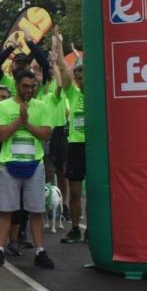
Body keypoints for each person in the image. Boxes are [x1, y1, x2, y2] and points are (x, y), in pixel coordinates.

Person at [0, 70, 55, 269]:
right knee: (5, 210)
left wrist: (26, 123)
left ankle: (40, 251)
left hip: (34, 164)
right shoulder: (2, 106)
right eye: (26, 86)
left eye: (33, 86)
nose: (30, 90)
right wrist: (19, 120)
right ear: (17, 85)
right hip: (9, 164)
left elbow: (46, 134)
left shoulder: (41, 106)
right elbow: (1, 135)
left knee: (36, 210)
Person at [53, 30, 86, 244]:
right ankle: (75, 228)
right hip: (75, 145)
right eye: (79, 77)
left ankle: (94, 230)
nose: (81, 80)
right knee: (74, 190)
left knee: (95, 192)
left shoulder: (98, 93)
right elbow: (64, 70)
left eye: (84, 77)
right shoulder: (72, 93)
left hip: (95, 146)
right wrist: (60, 46)